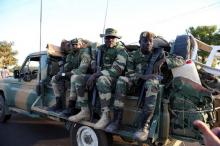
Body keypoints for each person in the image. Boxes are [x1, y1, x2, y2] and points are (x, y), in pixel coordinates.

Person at [68, 28, 128, 130]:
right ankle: (84, 111)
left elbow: (117, 70)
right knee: (78, 78)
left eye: (112, 38)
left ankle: (105, 116)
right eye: (107, 37)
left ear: (116, 39)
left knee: (102, 80)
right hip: (99, 75)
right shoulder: (101, 49)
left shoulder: (121, 51)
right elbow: (92, 55)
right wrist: (93, 63)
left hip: (114, 79)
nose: (110, 40)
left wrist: (95, 75)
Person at [105, 31, 165, 133]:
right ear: (139, 42)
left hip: (149, 85)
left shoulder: (158, 53)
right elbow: (130, 73)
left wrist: (163, 61)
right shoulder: (133, 55)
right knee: (121, 79)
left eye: (150, 41)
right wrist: (144, 76)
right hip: (135, 84)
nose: (148, 43)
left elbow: (179, 59)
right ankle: (116, 121)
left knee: (152, 83)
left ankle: (143, 126)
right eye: (145, 41)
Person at [48, 38, 91, 114]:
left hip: (84, 75)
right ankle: (59, 103)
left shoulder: (85, 53)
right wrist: (61, 72)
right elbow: (67, 68)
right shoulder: (71, 55)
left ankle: (71, 107)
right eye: (73, 45)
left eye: (76, 45)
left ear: (80, 45)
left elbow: (82, 70)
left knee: (73, 78)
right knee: (54, 78)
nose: (74, 46)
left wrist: (65, 74)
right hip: (72, 73)